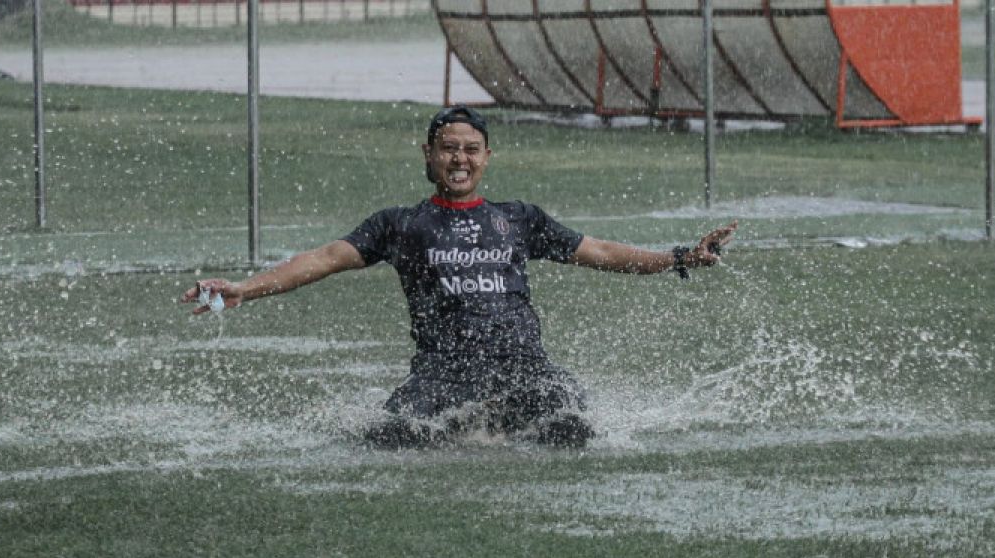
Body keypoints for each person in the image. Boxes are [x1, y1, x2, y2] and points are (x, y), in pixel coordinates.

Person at [182, 105, 736, 449]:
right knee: (394, 437)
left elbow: (604, 252)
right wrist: (242, 290)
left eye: (471, 149)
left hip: (523, 367)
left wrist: (680, 257)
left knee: (574, 428)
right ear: (428, 154)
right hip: (445, 373)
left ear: (488, 157)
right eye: (449, 149)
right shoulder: (400, 224)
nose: (460, 159)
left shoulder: (520, 218)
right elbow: (324, 259)